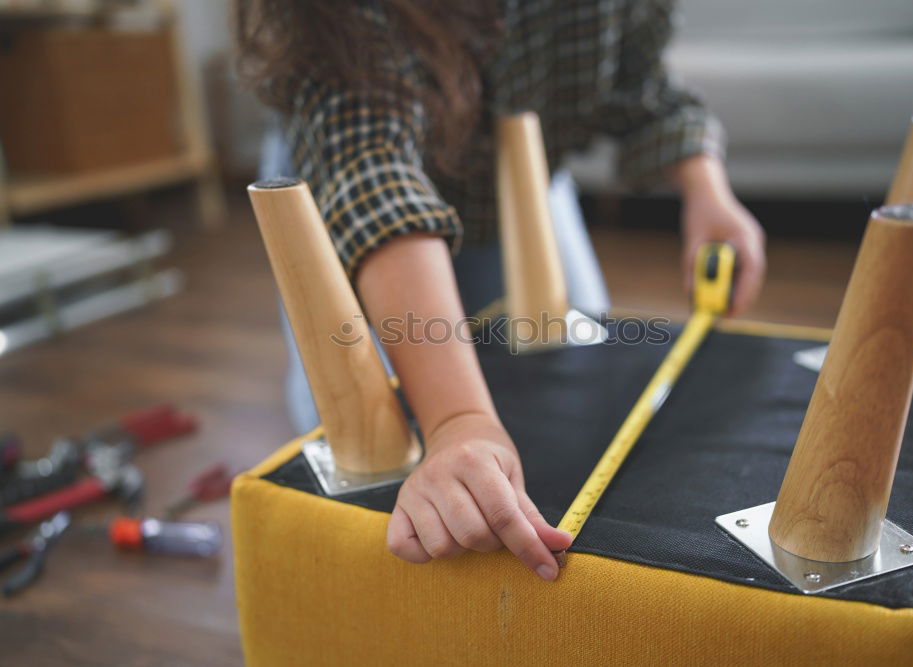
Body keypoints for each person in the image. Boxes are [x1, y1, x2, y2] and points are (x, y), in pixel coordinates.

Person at [237, 0, 766, 582]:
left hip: (521, 181)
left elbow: (639, 80)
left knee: (571, 372)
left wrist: (706, 188)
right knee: (366, 453)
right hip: (351, 181)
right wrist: (457, 419)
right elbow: (372, 171)